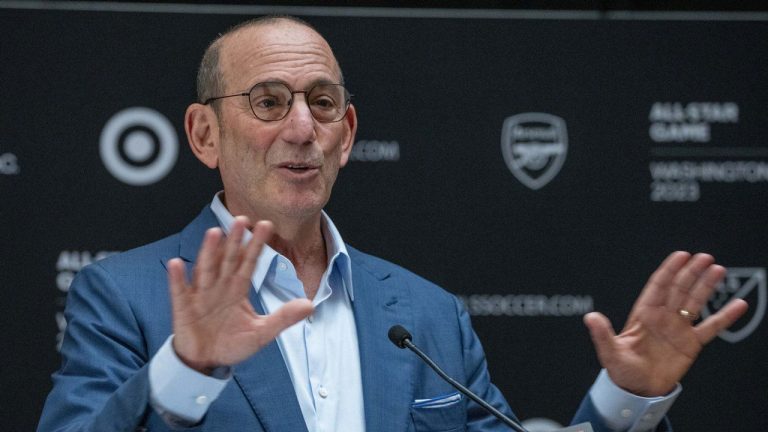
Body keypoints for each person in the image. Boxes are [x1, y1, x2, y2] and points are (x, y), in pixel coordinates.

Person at [37, 15, 747, 432]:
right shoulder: (124, 294)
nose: (300, 128)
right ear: (202, 135)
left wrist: (625, 399)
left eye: (321, 102)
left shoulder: (427, 314)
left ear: (347, 136)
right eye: (268, 101)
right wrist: (187, 370)